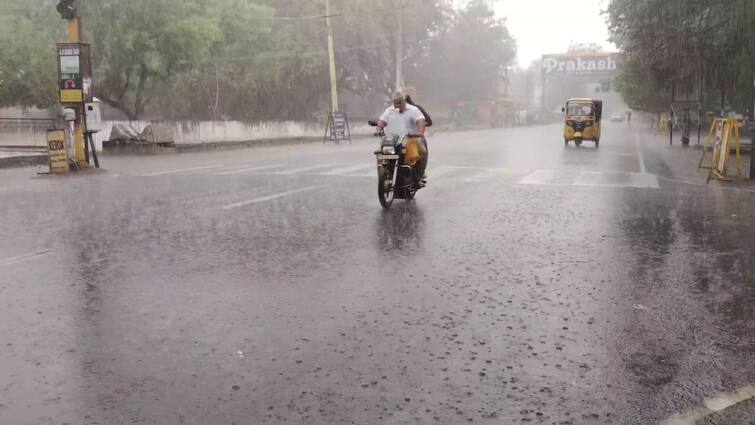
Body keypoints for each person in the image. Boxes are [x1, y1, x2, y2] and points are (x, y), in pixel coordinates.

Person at [377, 91, 428, 185]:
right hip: (393, 139)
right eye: (395, 103)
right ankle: (385, 172)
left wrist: (419, 132)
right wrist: (378, 129)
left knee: (418, 152)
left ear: (404, 101)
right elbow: (382, 120)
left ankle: (418, 176)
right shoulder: (390, 110)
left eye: (399, 102)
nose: (397, 105)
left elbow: (420, 120)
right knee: (381, 152)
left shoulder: (413, 110)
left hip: (410, 138)